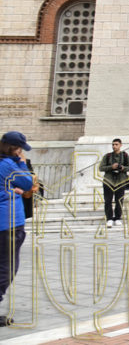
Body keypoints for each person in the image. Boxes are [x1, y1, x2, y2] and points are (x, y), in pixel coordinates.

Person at [0, 132, 34, 326]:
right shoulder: (8, 165)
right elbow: (28, 183)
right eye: (20, 149)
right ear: (14, 148)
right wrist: (22, 162)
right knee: (7, 268)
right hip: (9, 224)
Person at [99, 138, 129, 227]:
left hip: (121, 180)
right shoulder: (107, 156)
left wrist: (122, 168)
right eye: (113, 144)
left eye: (116, 144)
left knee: (119, 200)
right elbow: (101, 168)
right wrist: (111, 167)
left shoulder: (125, 155)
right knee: (108, 200)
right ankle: (109, 218)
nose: (114, 146)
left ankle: (118, 218)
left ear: (121, 145)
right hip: (108, 181)